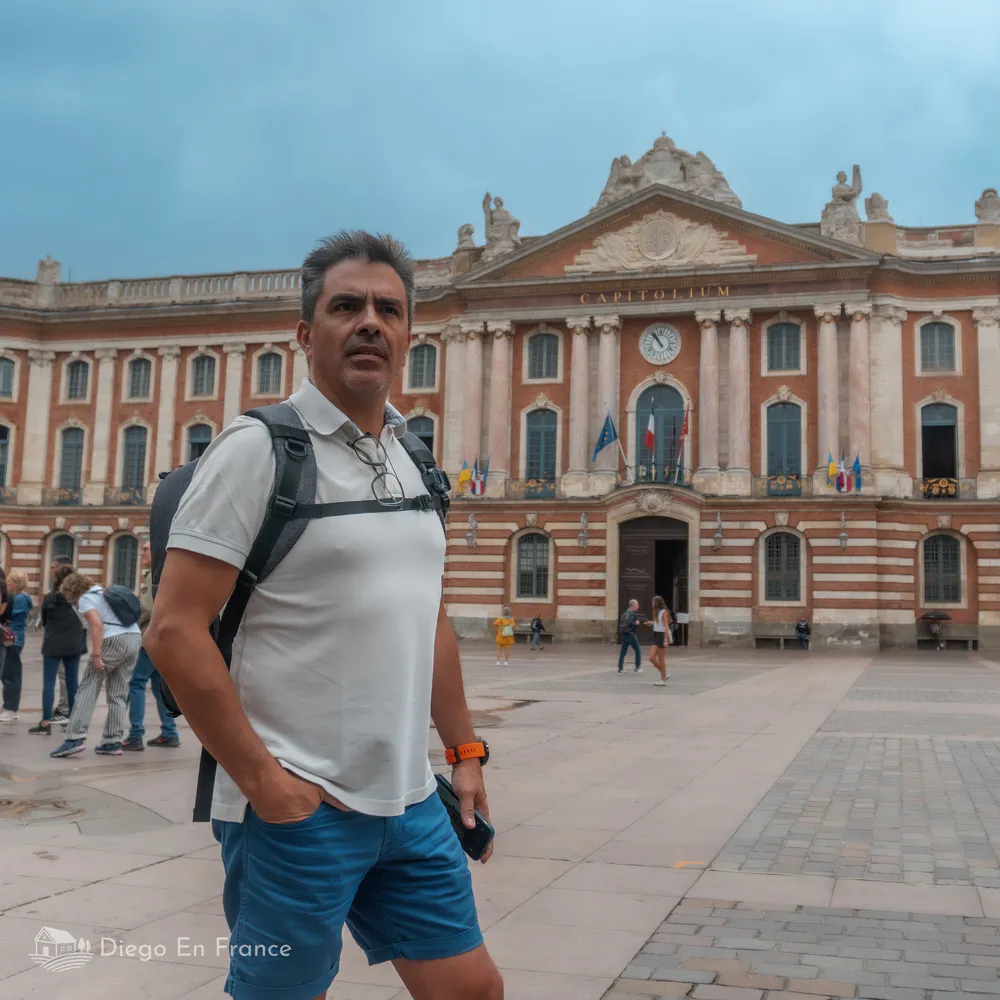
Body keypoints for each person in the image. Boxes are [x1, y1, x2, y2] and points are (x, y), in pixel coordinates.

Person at [145, 231, 501, 1000]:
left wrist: (464, 751)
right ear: (307, 334)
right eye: (347, 307)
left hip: (410, 802)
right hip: (298, 811)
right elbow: (173, 630)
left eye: (388, 310)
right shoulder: (258, 450)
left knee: (472, 990)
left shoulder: (415, 458)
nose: (370, 322)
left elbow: (430, 619)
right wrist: (267, 787)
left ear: (410, 335)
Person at [50, 574, 142, 757]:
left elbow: (97, 625)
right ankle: (112, 741)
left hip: (112, 639)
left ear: (71, 590)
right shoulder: (104, 593)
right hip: (134, 637)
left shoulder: (85, 599)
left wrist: (97, 655)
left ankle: (74, 738)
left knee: (88, 687)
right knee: (118, 693)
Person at [122, 540, 180, 750]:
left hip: (148, 639)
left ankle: (135, 734)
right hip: (162, 640)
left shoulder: (153, 576)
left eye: (146, 549)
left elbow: (146, 609)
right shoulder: (165, 574)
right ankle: (169, 732)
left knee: (136, 684)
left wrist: (128, 626)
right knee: (157, 686)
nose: (142, 552)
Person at [30, 564, 84, 735]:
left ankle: (46, 722)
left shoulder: (49, 598)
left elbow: (45, 621)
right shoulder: (79, 600)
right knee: (72, 682)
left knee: (48, 683)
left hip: (52, 643)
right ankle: (74, 722)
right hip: (74, 643)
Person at [0, 570, 32, 721]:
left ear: (17, 583)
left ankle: (11, 708)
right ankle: (9, 706)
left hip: (12, 639)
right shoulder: (19, 597)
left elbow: (6, 613)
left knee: (10, 674)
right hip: (13, 638)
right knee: (7, 673)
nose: (7, 583)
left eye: (10, 580)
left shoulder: (19, 598)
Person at [49, 555, 75, 721]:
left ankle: (66, 709)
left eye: (53, 567)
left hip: (65, 637)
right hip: (66, 636)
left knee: (65, 674)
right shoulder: (70, 586)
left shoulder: (67, 588)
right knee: (64, 673)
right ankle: (64, 706)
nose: (51, 571)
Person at [618, 598, 651, 674]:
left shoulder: (625, 613)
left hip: (623, 634)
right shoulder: (631, 614)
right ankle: (637, 667)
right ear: (633, 605)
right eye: (637, 605)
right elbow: (631, 623)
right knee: (638, 649)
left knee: (623, 651)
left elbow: (623, 622)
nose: (638, 606)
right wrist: (636, 623)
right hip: (630, 634)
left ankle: (620, 668)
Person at [649, 595, 671, 687]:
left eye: (653, 602)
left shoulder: (664, 612)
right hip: (656, 635)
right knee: (651, 658)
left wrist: (665, 640)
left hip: (662, 636)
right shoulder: (656, 612)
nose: (652, 603)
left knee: (661, 659)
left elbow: (666, 626)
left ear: (657, 603)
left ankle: (662, 679)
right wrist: (652, 623)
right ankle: (664, 673)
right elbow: (659, 624)